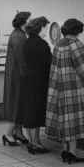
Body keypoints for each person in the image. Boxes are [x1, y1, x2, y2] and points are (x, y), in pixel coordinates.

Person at [45, 18, 84, 164]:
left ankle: (64, 150)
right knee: (73, 121)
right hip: (73, 88)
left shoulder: (58, 45)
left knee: (64, 119)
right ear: (78, 31)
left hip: (58, 88)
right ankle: (72, 152)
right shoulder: (76, 45)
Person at [22, 17, 52, 154]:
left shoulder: (27, 42)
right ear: (40, 28)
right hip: (39, 82)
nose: (47, 30)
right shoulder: (42, 45)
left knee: (30, 111)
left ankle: (33, 142)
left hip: (28, 80)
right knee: (37, 112)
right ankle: (36, 143)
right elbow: (49, 64)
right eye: (46, 27)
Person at [2, 11, 31, 146]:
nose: (31, 23)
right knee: (15, 103)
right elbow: (21, 59)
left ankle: (18, 133)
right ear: (24, 22)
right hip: (17, 76)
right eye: (29, 20)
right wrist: (28, 73)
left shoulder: (19, 34)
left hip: (16, 74)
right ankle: (8, 134)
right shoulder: (19, 37)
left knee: (20, 104)